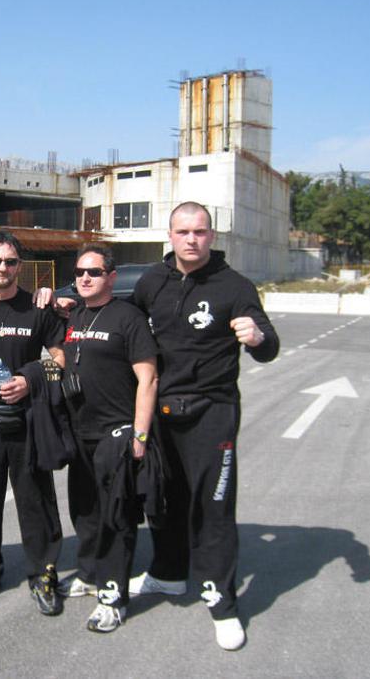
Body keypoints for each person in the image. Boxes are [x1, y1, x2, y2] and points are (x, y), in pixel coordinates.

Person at [127, 201, 279, 651]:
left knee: (213, 509)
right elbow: (123, 322)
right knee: (163, 499)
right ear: (169, 235)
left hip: (212, 411)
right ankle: (169, 573)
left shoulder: (235, 286)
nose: (191, 239)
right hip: (162, 411)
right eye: (183, 231)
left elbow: (269, 345)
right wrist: (66, 303)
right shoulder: (152, 281)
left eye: (199, 231)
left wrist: (258, 337)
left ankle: (222, 601)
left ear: (212, 236)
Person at [0, 231, 66, 615]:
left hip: (27, 419)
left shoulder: (37, 309)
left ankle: (43, 573)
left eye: (11, 261)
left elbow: (61, 358)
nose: (3, 267)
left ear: (20, 265)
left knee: (36, 500)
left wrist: (30, 379)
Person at [60, 243, 158, 633]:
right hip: (80, 433)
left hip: (116, 434)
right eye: (79, 272)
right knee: (85, 511)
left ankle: (113, 597)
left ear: (111, 277)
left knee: (116, 517)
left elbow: (148, 379)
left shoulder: (128, 318)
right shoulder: (74, 316)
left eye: (94, 272)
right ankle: (88, 574)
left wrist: (139, 434)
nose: (85, 278)